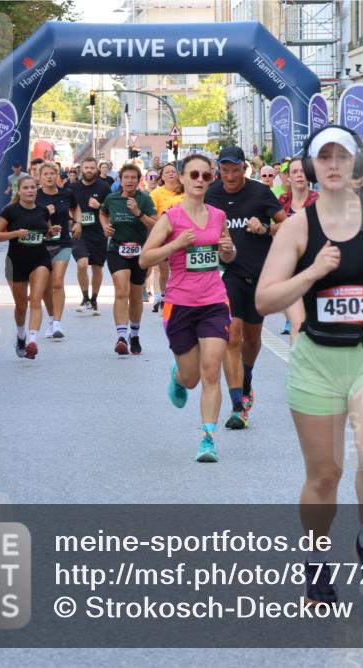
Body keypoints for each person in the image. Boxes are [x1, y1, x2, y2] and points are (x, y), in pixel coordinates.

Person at [254, 125, 363, 607]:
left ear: (355, 164)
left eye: (341, 156)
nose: (332, 165)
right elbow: (265, 300)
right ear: (311, 166)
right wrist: (312, 271)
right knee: (324, 476)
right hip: (317, 361)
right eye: (323, 157)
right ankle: (317, 559)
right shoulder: (298, 227)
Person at [139, 154, 237, 462]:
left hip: (214, 302)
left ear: (211, 180)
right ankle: (178, 376)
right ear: (181, 178)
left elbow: (228, 257)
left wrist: (228, 251)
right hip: (180, 304)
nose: (199, 180)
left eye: (206, 175)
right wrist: (175, 246)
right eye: (193, 174)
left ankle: (207, 439)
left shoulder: (218, 216)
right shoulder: (171, 217)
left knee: (212, 370)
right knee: (192, 378)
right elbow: (144, 259)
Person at [204, 145, 288, 429]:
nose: (229, 176)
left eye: (234, 170)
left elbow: (285, 225)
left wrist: (265, 228)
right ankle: (238, 405)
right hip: (228, 273)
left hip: (259, 272)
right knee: (232, 336)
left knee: (252, 338)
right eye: (224, 170)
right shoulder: (211, 194)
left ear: (244, 169)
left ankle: (247, 377)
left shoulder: (259, 192)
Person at [0, 175, 56, 359]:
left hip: (40, 259)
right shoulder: (10, 211)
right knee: (21, 306)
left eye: (33, 188)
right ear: (18, 191)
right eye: (26, 188)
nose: (30, 191)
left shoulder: (43, 211)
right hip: (16, 262)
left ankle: (33, 341)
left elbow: (47, 234)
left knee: (35, 299)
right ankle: (21, 336)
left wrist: (52, 232)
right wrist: (15, 233)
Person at [100, 163, 158, 355]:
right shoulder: (112, 198)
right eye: (126, 177)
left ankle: (135, 334)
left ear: (139, 180)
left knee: (135, 297)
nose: (130, 181)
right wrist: (105, 226)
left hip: (140, 251)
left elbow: (156, 224)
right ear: (121, 180)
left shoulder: (145, 199)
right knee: (121, 292)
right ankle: (121, 337)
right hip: (117, 250)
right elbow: (102, 212)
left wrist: (138, 213)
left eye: (134, 177)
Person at [36, 162, 80, 339]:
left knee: (57, 281)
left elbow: (76, 208)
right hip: (41, 244)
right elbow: (26, 216)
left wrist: (77, 223)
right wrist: (45, 212)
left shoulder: (66, 193)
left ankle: (57, 324)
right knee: (46, 287)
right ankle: (51, 318)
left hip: (62, 242)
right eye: (45, 174)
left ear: (57, 176)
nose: (49, 177)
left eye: (52, 173)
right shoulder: (35, 195)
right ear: (39, 177)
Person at [277, 157, 317, 342]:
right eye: (295, 172)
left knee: (312, 323)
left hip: (314, 267)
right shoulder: (281, 201)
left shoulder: (320, 201)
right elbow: (274, 232)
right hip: (288, 269)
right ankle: (297, 367)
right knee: (297, 323)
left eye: (303, 171)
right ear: (288, 177)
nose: (299, 175)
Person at [69, 157, 112, 315]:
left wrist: (99, 206)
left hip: (99, 232)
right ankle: (85, 297)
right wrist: (74, 221)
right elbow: (69, 207)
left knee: (97, 267)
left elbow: (111, 209)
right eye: (86, 168)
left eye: (92, 168)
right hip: (79, 232)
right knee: (82, 264)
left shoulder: (104, 187)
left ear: (97, 169)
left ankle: (94, 299)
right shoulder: (73, 187)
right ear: (82, 170)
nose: (89, 170)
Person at [149, 163, 185, 313]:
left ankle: (179, 297)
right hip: (163, 235)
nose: (171, 174)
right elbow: (152, 215)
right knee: (163, 271)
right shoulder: (156, 194)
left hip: (182, 235)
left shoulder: (185, 192)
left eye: (173, 171)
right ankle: (163, 295)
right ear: (162, 177)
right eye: (167, 172)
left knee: (181, 268)